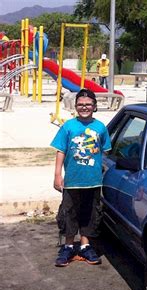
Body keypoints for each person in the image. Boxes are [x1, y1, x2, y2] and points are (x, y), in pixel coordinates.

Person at [51, 89, 111, 267]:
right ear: (75, 106)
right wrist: (57, 175)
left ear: (94, 106)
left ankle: (85, 246)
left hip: (93, 181)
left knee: (90, 213)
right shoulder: (68, 127)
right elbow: (60, 150)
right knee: (69, 213)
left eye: (88, 104)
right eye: (80, 104)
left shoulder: (100, 127)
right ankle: (68, 246)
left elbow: (104, 150)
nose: (84, 107)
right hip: (72, 181)